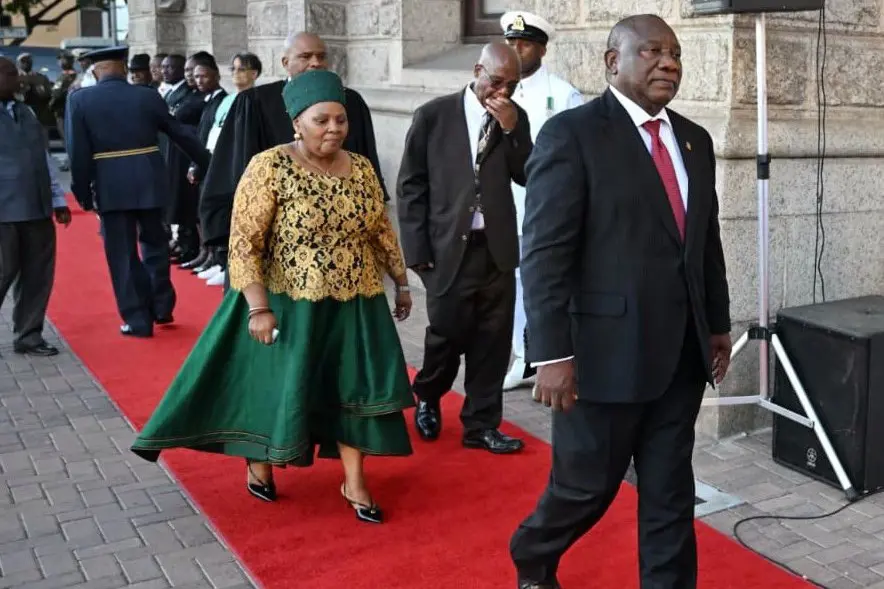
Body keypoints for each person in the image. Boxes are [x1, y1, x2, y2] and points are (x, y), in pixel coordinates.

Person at [131, 71, 415, 523]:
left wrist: (400, 281)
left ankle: (355, 480)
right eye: (322, 120)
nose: (334, 129)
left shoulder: (360, 167)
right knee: (280, 389)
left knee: (355, 389)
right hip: (288, 301)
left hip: (355, 302)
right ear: (297, 123)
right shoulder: (269, 166)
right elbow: (245, 242)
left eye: (340, 120)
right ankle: (260, 460)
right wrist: (258, 307)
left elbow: (380, 229)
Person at [509, 15, 732, 589]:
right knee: (585, 489)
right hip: (602, 360)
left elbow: (704, 241)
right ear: (613, 61)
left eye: (675, 54)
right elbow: (544, 255)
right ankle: (533, 554)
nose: (668, 63)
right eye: (652, 51)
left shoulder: (694, 139)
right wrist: (552, 353)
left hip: (680, 356)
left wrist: (717, 325)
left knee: (669, 493)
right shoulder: (571, 135)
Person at [396, 43, 530, 454]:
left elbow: (528, 172)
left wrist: (511, 129)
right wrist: (417, 252)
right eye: (495, 81)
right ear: (477, 70)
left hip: (496, 248)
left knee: (493, 340)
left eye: (512, 85)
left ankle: (481, 424)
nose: (502, 91)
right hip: (446, 250)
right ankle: (429, 396)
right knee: (446, 335)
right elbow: (410, 186)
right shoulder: (434, 116)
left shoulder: (513, 117)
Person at [199, 31, 388, 279]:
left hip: (342, 242)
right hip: (276, 247)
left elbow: (366, 163)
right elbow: (236, 171)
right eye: (306, 56)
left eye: (321, 56)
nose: (315, 63)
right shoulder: (255, 103)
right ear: (285, 63)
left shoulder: (350, 101)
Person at [65, 46, 211, 338]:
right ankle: (161, 306)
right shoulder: (146, 95)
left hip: (111, 184)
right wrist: (206, 161)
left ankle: (137, 319)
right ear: (122, 68)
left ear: (95, 70)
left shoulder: (80, 100)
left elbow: (77, 152)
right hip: (150, 180)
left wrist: (81, 192)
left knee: (122, 254)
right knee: (155, 245)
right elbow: (179, 131)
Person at [499, 11, 584, 392]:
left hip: (546, 209)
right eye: (511, 42)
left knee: (549, 281)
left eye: (525, 43)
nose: (517, 50)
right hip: (504, 205)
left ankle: (552, 355)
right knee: (515, 284)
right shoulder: (495, 90)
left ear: (542, 49)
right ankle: (523, 357)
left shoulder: (563, 93)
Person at [0, 57, 72, 357]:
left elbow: (43, 160)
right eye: (10, 74)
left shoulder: (26, 111)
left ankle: (29, 335)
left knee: (37, 275)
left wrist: (58, 199)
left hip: (37, 206)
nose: (19, 79)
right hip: (4, 212)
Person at [180, 58, 227, 284]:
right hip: (200, 161)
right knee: (201, 211)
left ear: (216, 75)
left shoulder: (222, 100)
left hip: (212, 164)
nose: (199, 80)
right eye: (196, 76)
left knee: (211, 211)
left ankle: (218, 258)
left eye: (203, 75)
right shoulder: (205, 100)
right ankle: (207, 254)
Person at [162, 53, 207, 265]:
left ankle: (197, 249)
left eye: (194, 72)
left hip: (192, 156)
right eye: (189, 72)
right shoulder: (190, 94)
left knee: (192, 205)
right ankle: (188, 245)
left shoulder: (199, 97)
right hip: (179, 155)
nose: (192, 77)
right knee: (183, 204)